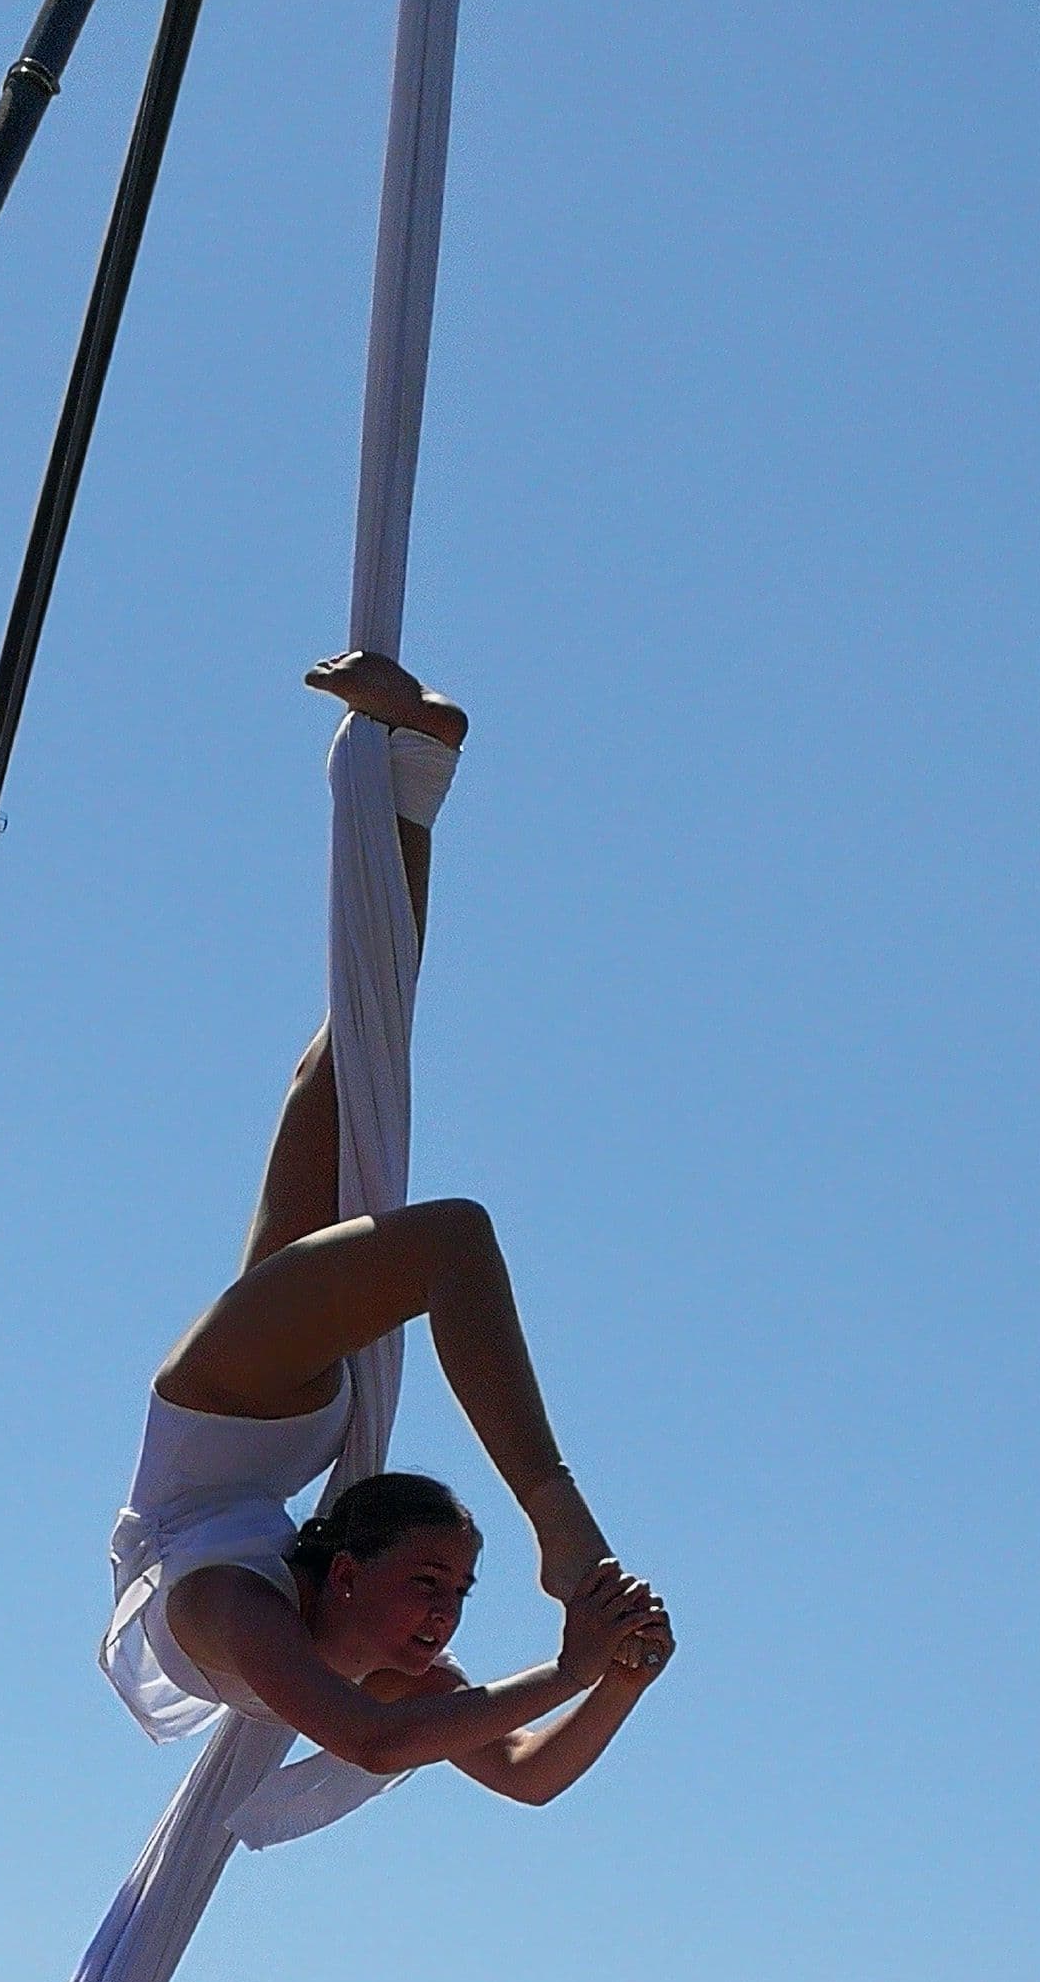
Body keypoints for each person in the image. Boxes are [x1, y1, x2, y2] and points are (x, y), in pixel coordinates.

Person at [103, 654, 671, 1808]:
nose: (446, 1615)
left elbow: (371, 1741)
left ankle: (554, 1513)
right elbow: (526, 1775)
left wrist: (577, 1667)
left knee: (439, 1218)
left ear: (345, 1572)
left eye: (442, 1587)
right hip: (294, 1437)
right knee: (352, 1055)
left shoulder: (234, 1610)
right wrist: (617, 1676)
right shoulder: (373, 1650)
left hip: (226, 1406)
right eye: (447, 1588)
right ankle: (418, 764)